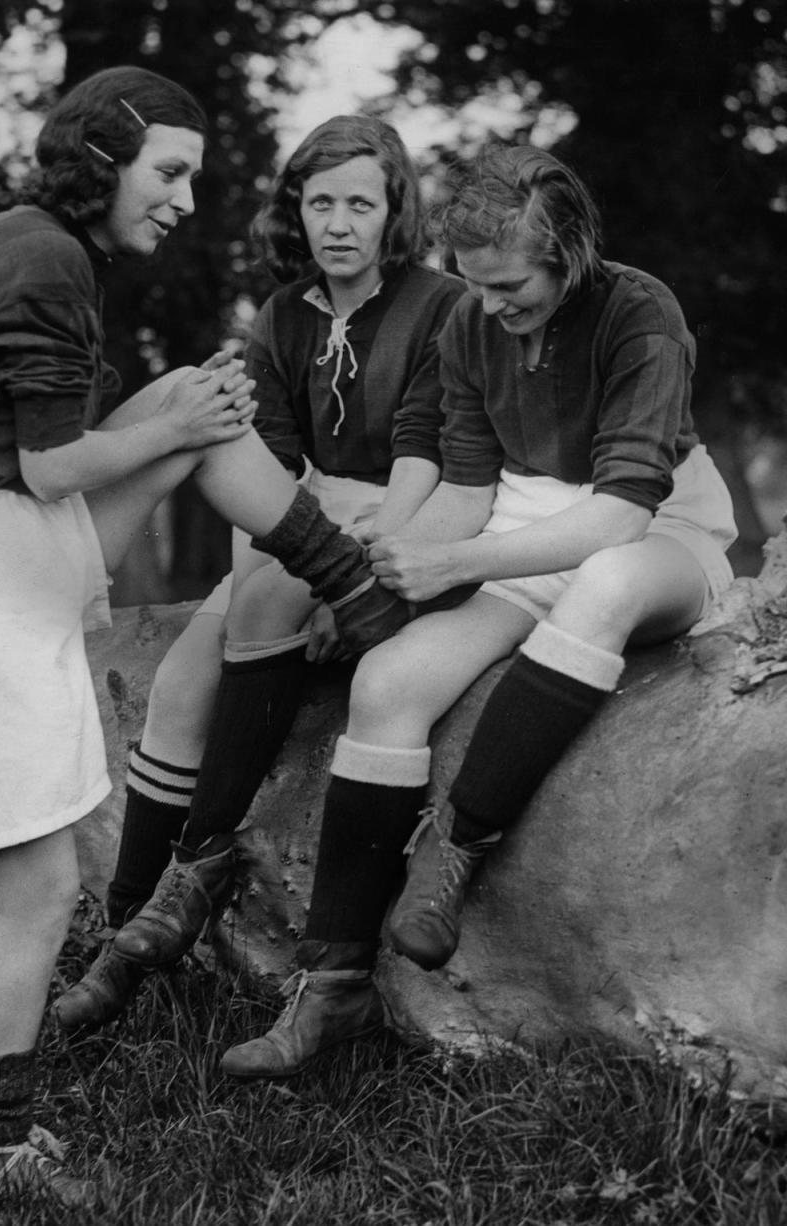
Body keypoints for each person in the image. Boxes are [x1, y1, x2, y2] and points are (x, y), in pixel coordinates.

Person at [0, 69, 409, 1202]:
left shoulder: (33, 242)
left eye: (192, 178)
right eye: (166, 172)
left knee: (190, 397)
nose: (180, 199)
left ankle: (349, 588)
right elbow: (50, 464)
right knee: (40, 893)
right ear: (102, 157)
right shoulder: (44, 258)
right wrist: (195, 422)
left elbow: (55, 454)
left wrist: (185, 416)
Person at [219, 144, 738, 1080]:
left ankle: (455, 850)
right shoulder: (467, 321)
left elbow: (620, 514)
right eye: (475, 286)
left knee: (608, 585)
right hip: (520, 532)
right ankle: (330, 987)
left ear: (571, 257)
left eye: (512, 288)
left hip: (660, 529)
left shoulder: (638, 311)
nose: (491, 308)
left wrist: (460, 560)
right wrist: (392, 566)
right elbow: (465, 489)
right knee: (388, 679)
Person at [53, 114, 468, 1033]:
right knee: (180, 682)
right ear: (297, 212)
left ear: (394, 208)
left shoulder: (439, 305)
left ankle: (197, 865)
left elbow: (423, 452)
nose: (339, 223)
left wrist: (359, 581)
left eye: (361, 202)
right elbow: (262, 476)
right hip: (292, 524)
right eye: (319, 203)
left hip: (398, 520)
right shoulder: (282, 317)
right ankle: (127, 937)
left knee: (280, 604)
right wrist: (265, 578)